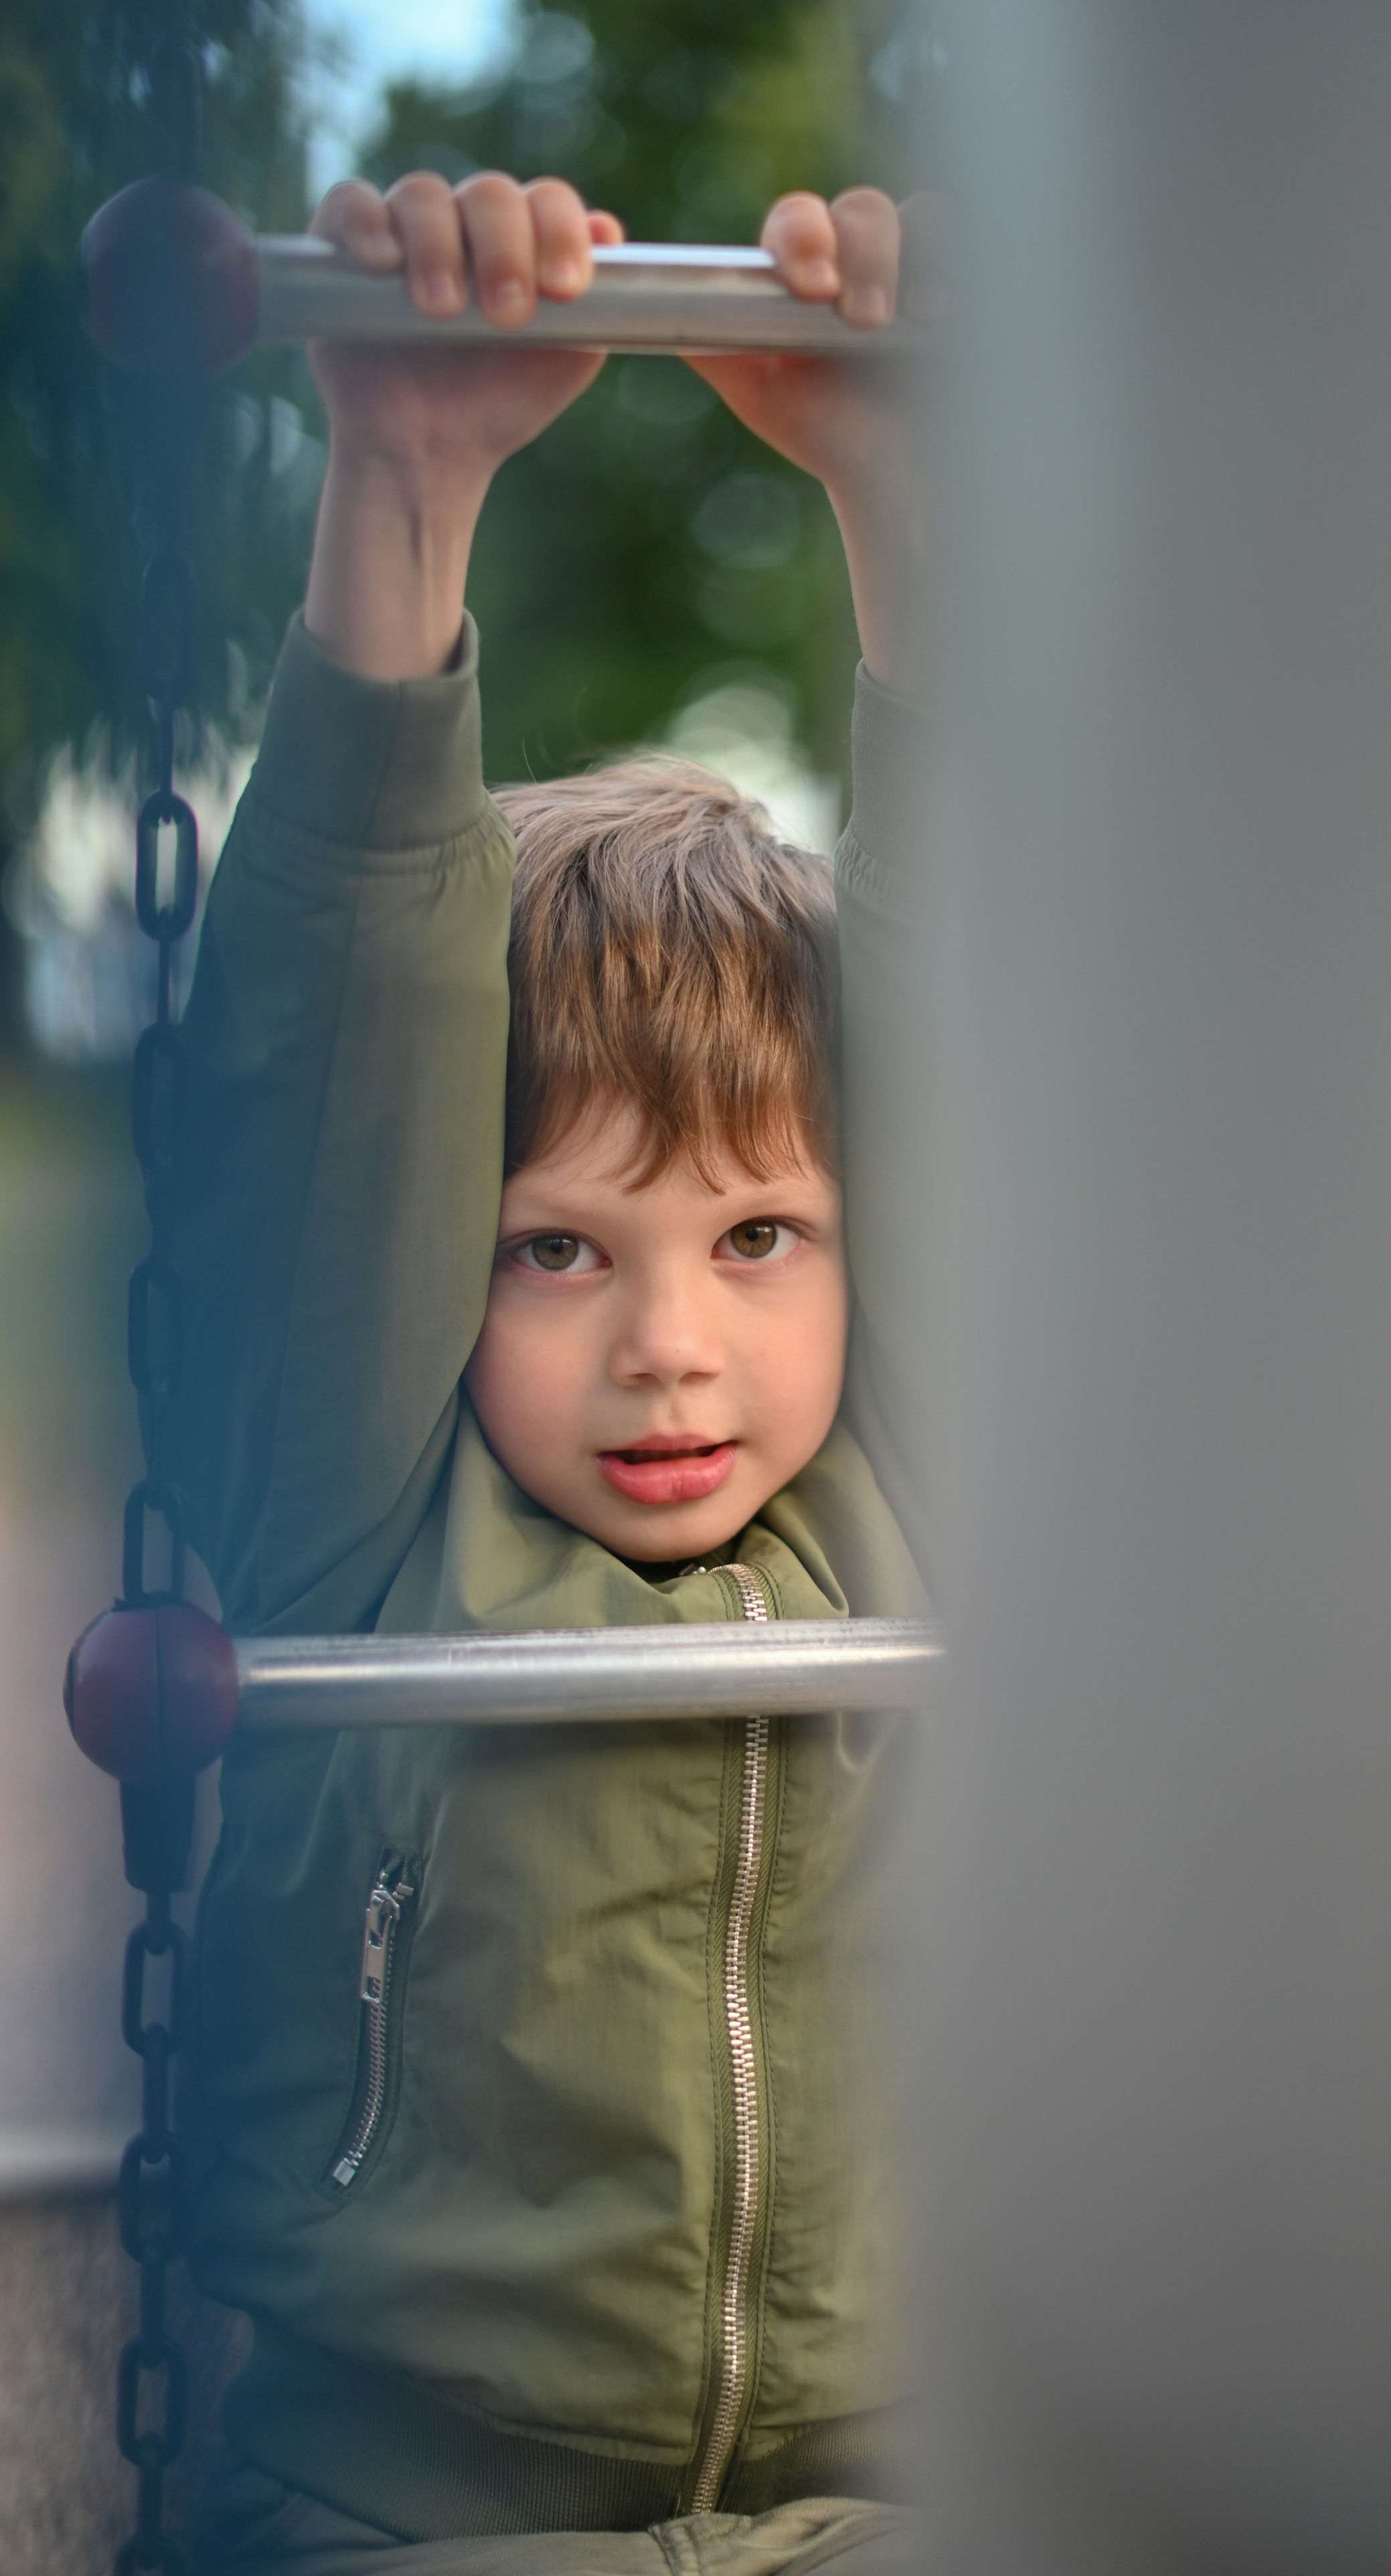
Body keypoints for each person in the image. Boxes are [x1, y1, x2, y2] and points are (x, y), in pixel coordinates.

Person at [171, 165, 936, 2576]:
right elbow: (341, 1073)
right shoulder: (358, 1533)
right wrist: (403, 480)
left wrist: (902, 512)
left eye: (760, 1232)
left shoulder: (918, 1517)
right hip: (415, 2518)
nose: (672, 1344)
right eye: (551, 1248)